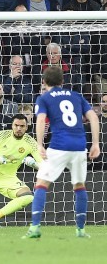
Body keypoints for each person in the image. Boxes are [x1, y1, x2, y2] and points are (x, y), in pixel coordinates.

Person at [23, 66, 100, 239]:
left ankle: (35, 227)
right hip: (80, 146)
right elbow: (94, 117)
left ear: (44, 81)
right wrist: (95, 143)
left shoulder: (44, 98)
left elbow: (41, 119)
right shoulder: (76, 96)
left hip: (58, 146)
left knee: (41, 184)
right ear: (62, 81)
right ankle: (80, 230)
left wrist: (40, 144)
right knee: (79, 186)